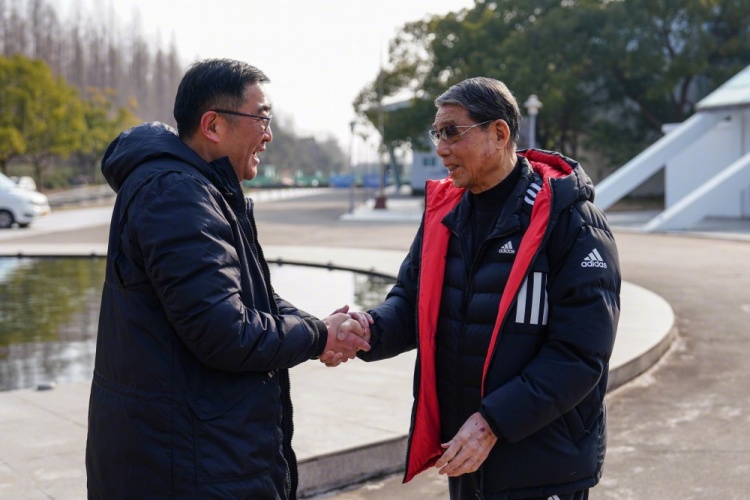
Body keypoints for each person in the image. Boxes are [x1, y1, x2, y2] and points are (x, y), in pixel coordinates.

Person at [85, 58, 371, 499]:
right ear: (213, 125)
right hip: (186, 465)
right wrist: (318, 336)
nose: (268, 134)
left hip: (186, 450)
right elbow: (224, 331)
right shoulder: (177, 194)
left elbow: (246, 298)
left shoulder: (194, 187)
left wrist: (319, 329)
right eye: (262, 118)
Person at [327, 77, 621, 499]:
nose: (441, 148)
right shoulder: (445, 215)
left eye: (452, 131)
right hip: (468, 456)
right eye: (437, 134)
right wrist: (369, 329)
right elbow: (411, 303)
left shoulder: (571, 222)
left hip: (543, 463)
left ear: (499, 133)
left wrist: (493, 422)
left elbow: (580, 355)